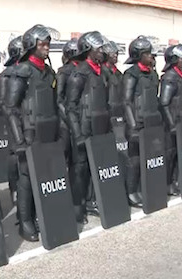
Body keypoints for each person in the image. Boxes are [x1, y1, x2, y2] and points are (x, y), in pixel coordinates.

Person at [4, 24, 60, 241]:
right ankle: (25, 221)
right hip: (30, 133)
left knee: (46, 174)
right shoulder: (22, 71)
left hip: (49, 131)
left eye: (48, 43)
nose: (47, 47)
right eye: (42, 43)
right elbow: (10, 107)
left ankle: (41, 214)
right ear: (31, 46)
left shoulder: (49, 72)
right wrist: (19, 140)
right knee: (26, 177)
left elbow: (55, 103)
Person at [65, 31, 109, 224]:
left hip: (98, 127)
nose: (102, 51)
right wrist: (77, 134)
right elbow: (70, 106)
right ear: (88, 50)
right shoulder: (79, 73)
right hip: (83, 128)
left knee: (93, 167)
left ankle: (91, 200)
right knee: (79, 169)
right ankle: (77, 205)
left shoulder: (100, 72)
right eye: (98, 49)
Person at [122, 35, 159, 207]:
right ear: (138, 55)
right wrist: (133, 126)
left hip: (151, 122)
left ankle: (144, 188)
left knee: (150, 159)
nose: (151, 56)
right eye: (147, 53)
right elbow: (126, 101)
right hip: (136, 123)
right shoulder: (131, 74)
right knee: (134, 160)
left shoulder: (152, 73)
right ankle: (131, 191)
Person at [159, 44, 182, 195]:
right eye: (181, 58)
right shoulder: (170, 77)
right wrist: (171, 124)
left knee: (180, 153)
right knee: (170, 154)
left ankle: (175, 180)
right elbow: (164, 102)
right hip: (173, 122)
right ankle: (167, 183)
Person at [0, 36, 23, 206]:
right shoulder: (6, 75)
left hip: (27, 118)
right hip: (12, 119)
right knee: (14, 156)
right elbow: (3, 102)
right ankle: (14, 188)